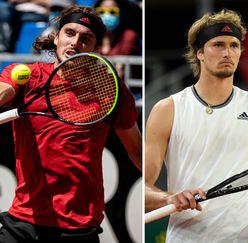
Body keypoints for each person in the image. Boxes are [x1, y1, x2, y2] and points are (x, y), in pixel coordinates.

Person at [0, 5, 142, 242]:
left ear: (96, 49)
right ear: (56, 38)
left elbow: (137, 151)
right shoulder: (27, 77)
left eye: (86, 39)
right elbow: (4, 90)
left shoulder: (111, 90)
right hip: (24, 220)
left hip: (78, 227)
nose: (75, 43)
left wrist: (161, 193)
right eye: (69, 33)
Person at [145, 9, 248, 243]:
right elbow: (144, 187)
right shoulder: (167, 109)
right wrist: (169, 199)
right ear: (199, 53)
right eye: (218, 45)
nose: (228, 52)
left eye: (234, 45)